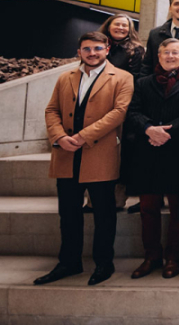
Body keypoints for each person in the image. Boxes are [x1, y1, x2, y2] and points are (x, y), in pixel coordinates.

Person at [35, 33, 134, 287]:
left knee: (104, 214)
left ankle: (104, 263)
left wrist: (82, 136)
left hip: (99, 153)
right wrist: (59, 136)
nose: (92, 53)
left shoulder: (123, 77)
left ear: (107, 50)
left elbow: (119, 112)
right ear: (79, 51)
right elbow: (52, 110)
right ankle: (69, 262)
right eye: (86, 49)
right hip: (66, 154)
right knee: (68, 214)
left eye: (97, 48)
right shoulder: (65, 77)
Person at [124, 38, 179, 279]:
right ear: (159, 56)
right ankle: (151, 256)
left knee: (177, 209)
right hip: (148, 151)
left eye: (175, 52)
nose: (170, 56)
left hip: (178, 152)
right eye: (166, 53)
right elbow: (132, 112)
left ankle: (173, 257)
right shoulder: (143, 83)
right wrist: (149, 129)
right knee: (148, 208)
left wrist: (167, 132)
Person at [99, 13, 144, 79]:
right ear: (108, 27)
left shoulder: (136, 50)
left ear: (129, 30)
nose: (120, 28)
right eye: (117, 24)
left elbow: (134, 76)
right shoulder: (97, 44)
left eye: (124, 25)